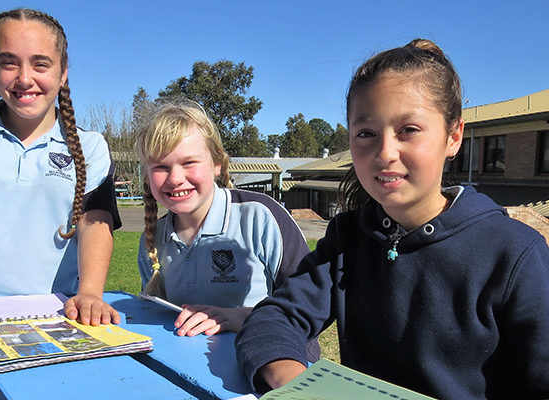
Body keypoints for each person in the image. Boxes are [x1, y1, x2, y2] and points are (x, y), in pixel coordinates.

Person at [235, 38, 549, 399]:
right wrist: (298, 385)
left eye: (408, 130)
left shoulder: (514, 253)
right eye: (366, 133)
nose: (385, 153)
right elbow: (274, 320)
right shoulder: (348, 238)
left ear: (453, 137)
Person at [0, 8, 122, 326]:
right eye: (9, 62)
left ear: (63, 72)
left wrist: (90, 294)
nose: (25, 78)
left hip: (60, 313)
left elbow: (95, 222)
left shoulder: (91, 146)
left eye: (40, 64)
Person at [136, 101, 317, 358]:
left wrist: (240, 317)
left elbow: (309, 305)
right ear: (146, 175)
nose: (175, 178)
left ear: (217, 163)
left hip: (269, 363)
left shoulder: (259, 216)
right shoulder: (153, 241)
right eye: (161, 167)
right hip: (187, 368)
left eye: (189, 162)